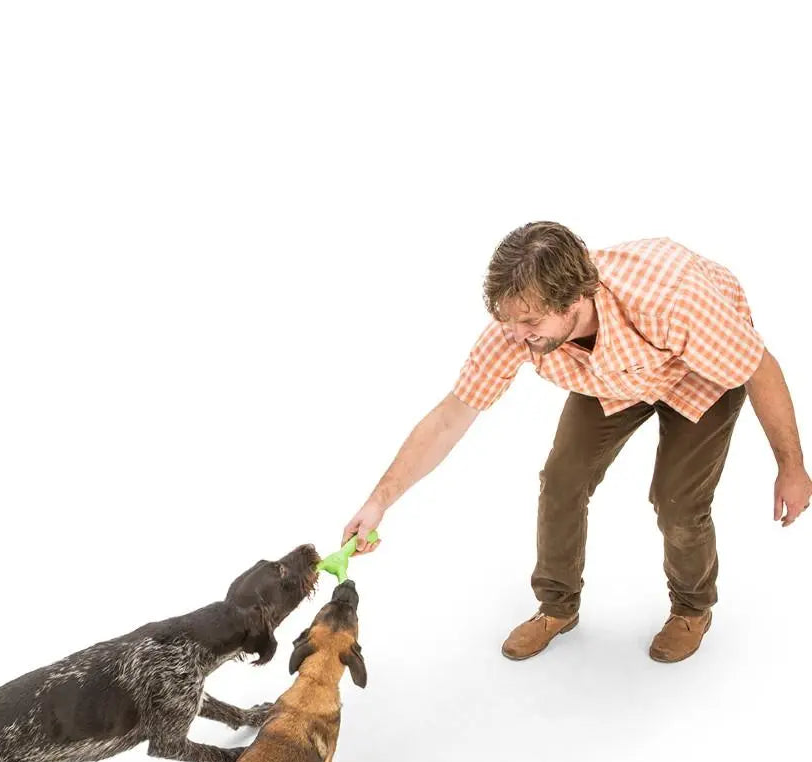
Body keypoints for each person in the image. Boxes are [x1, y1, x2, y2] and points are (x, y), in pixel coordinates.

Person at [342, 223, 811, 663]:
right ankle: (557, 607)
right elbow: (449, 419)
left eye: (530, 322)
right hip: (614, 378)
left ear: (576, 299)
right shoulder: (518, 328)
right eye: (509, 321)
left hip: (700, 371)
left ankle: (691, 609)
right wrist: (379, 501)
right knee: (562, 479)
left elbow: (759, 369)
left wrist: (791, 466)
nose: (516, 336)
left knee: (676, 500)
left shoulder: (672, 300)